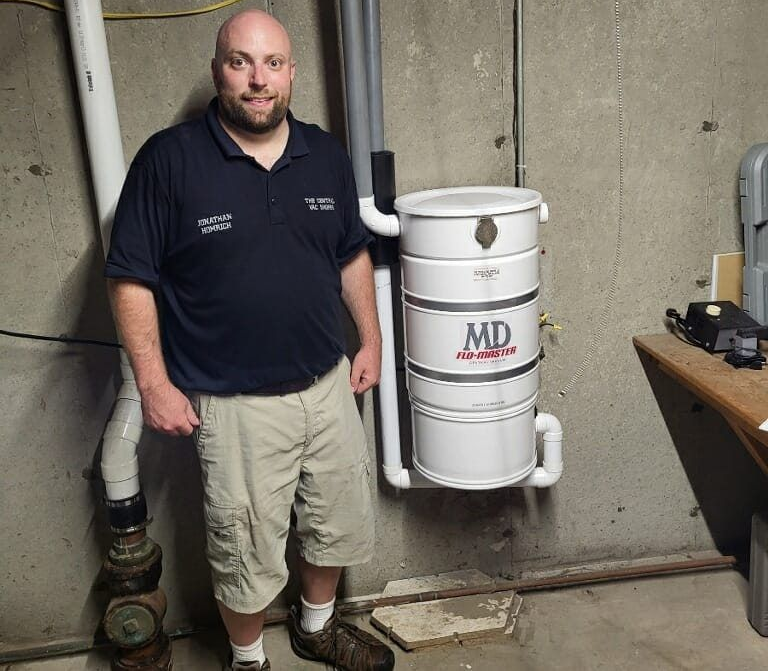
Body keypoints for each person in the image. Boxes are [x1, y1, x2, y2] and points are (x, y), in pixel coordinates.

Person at [105, 8, 395, 671]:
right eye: (241, 63)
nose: (257, 80)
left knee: (335, 521)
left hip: (326, 385)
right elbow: (130, 279)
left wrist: (370, 341)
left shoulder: (323, 155)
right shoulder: (169, 161)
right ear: (218, 71)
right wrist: (153, 383)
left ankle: (316, 628)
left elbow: (351, 256)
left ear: (291, 73)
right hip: (233, 405)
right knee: (244, 550)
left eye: (271, 64)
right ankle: (247, 658)